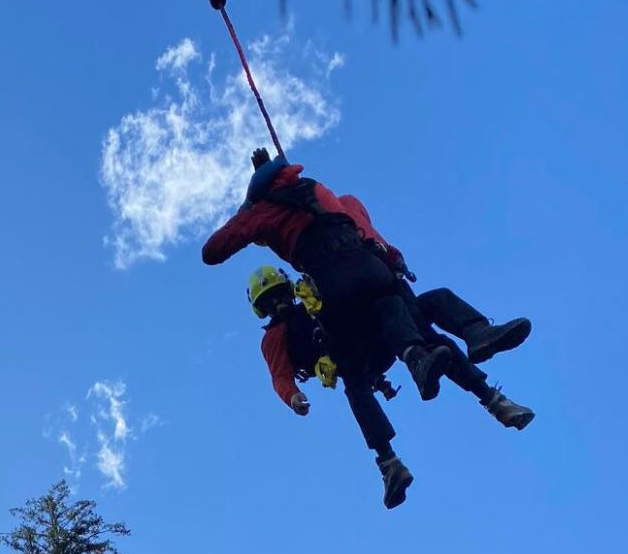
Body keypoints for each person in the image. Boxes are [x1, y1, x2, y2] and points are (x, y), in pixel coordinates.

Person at [203, 149, 532, 409]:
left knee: (369, 370)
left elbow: (213, 251)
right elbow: (364, 228)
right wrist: (393, 257)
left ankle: (398, 436)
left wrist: (248, 208)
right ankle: (477, 346)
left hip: (338, 292)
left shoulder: (262, 216)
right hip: (372, 267)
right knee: (420, 321)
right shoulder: (325, 193)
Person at [246, 264, 534, 509]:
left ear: (288, 290)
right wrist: (292, 396)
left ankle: (483, 355)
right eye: (270, 302)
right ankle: (388, 463)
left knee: (432, 313)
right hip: (353, 360)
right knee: (356, 389)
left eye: (280, 295)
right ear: (263, 310)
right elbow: (280, 376)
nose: (279, 304)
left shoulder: (312, 297)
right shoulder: (274, 337)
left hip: (376, 333)